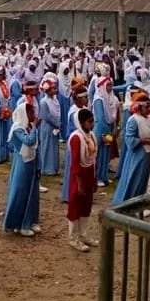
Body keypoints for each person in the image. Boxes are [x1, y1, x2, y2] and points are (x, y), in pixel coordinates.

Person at [2, 102, 41, 237]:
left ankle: (29, 221)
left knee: (31, 194)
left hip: (31, 162)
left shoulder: (27, 126)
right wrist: (35, 127)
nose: (34, 115)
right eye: (31, 113)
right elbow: (29, 141)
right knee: (21, 193)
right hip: (23, 164)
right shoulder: (17, 128)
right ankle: (19, 224)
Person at [112, 94, 150, 204]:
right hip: (137, 156)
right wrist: (145, 141)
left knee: (143, 179)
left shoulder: (149, 118)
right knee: (134, 179)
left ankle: (139, 203)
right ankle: (128, 203)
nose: (149, 109)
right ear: (139, 107)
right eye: (146, 107)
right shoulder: (133, 120)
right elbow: (129, 140)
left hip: (147, 154)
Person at [67, 108, 98, 252]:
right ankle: (73, 238)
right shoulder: (76, 138)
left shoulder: (91, 136)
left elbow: (93, 158)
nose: (92, 124)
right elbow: (75, 163)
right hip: (78, 176)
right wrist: (79, 183)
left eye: (92, 121)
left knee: (86, 205)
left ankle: (83, 234)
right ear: (81, 122)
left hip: (89, 172)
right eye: (89, 122)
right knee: (76, 205)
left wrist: (94, 178)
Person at [92, 77, 118, 187]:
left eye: (111, 85)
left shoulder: (110, 98)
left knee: (106, 153)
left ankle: (104, 176)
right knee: (99, 154)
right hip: (101, 129)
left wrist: (113, 128)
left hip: (109, 128)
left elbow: (112, 116)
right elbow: (100, 118)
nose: (110, 88)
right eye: (108, 85)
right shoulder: (99, 100)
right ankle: (97, 178)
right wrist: (108, 131)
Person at [38, 78, 61, 176]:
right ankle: (47, 169)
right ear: (48, 91)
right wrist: (57, 124)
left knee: (54, 147)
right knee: (47, 146)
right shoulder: (44, 102)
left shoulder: (55, 100)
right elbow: (47, 117)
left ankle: (54, 167)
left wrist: (58, 124)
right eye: (53, 89)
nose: (55, 90)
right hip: (47, 127)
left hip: (55, 126)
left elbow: (57, 113)